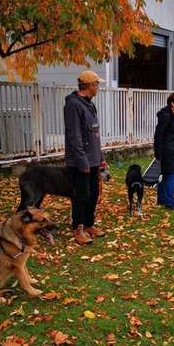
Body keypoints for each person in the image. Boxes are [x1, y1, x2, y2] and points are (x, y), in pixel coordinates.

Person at [64, 70, 107, 244]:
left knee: (93, 194)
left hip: (93, 160)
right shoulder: (73, 105)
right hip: (80, 162)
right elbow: (75, 136)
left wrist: (100, 157)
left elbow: (94, 135)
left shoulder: (90, 104)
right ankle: (78, 229)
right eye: (97, 84)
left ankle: (89, 224)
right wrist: (83, 161)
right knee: (81, 195)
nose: (98, 87)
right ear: (89, 85)